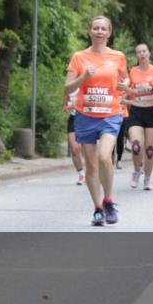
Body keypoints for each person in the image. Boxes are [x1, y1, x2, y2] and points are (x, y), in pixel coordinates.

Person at [64, 16, 129, 226]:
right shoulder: (79, 57)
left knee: (103, 157)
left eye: (103, 28)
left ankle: (108, 199)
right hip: (85, 116)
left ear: (109, 33)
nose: (99, 31)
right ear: (89, 31)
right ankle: (98, 209)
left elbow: (125, 78)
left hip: (110, 114)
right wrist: (83, 77)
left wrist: (124, 84)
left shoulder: (118, 56)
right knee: (91, 166)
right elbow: (68, 88)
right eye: (96, 28)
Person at [126, 43, 153, 191]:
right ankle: (137, 171)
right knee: (136, 146)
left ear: (149, 53)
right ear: (136, 56)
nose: (142, 54)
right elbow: (127, 90)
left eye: (144, 51)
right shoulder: (132, 71)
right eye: (139, 52)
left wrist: (152, 88)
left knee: (149, 149)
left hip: (151, 110)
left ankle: (148, 179)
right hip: (136, 111)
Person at [63, 90, 85, 184]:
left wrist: (75, 105)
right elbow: (64, 106)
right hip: (74, 119)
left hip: (87, 118)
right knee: (75, 149)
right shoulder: (70, 88)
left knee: (88, 150)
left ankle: (93, 173)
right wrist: (68, 106)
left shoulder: (88, 84)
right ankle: (81, 175)